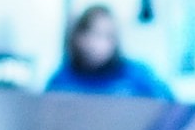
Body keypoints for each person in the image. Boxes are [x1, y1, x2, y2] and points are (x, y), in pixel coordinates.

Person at [45, 5, 174, 98]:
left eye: (107, 36)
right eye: (92, 34)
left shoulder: (139, 75)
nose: (97, 44)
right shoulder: (61, 79)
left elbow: (172, 108)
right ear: (78, 38)